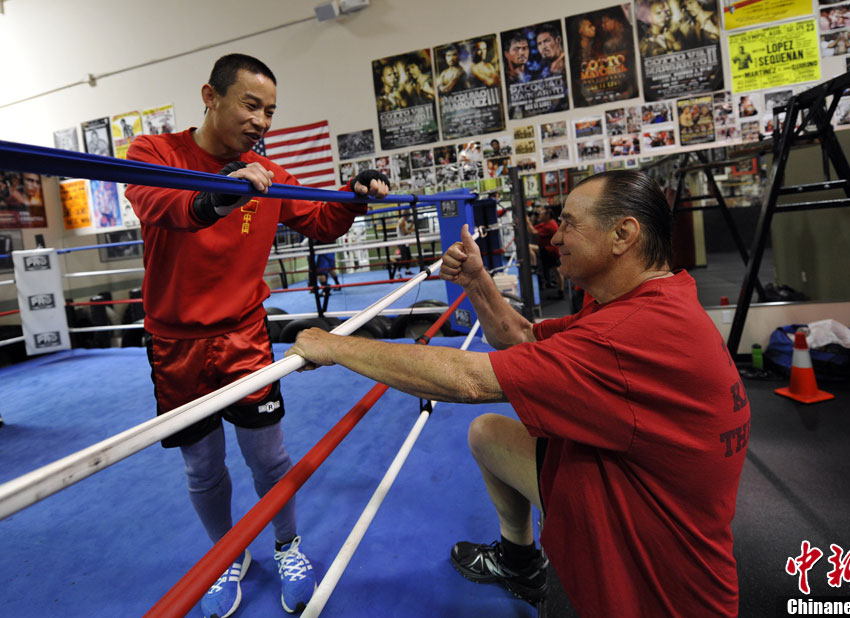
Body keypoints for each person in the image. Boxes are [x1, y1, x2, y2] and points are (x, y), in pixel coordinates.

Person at [286, 170, 750, 617]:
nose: (554, 237)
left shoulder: (630, 333)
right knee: (488, 435)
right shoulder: (641, 301)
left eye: (569, 222)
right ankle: (520, 561)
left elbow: (468, 379)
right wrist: (476, 281)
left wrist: (334, 346)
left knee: (481, 412)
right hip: (635, 496)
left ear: (623, 234)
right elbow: (523, 337)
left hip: (662, 595)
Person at [124, 53, 390, 618]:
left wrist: (354, 196)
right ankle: (224, 555)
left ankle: (287, 545)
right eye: (250, 105)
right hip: (174, 342)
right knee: (201, 466)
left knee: (269, 458)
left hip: (243, 332)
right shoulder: (154, 152)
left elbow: (318, 219)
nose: (262, 121)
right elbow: (160, 204)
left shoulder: (267, 172)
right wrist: (220, 193)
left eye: (269, 110)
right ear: (210, 96)